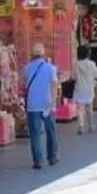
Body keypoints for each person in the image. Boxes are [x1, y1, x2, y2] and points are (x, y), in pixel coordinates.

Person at [22, 41, 61, 169]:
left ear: (32, 55)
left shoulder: (27, 68)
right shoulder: (51, 68)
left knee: (35, 134)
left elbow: (24, 85)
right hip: (47, 104)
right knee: (51, 131)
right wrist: (53, 102)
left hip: (33, 105)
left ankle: (38, 160)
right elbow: (54, 85)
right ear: (44, 54)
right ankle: (52, 156)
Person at [72, 44, 97, 136]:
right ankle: (91, 126)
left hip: (79, 88)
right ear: (87, 54)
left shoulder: (76, 64)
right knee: (89, 109)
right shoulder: (91, 64)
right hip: (89, 89)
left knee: (80, 109)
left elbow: (73, 77)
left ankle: (81, 126)